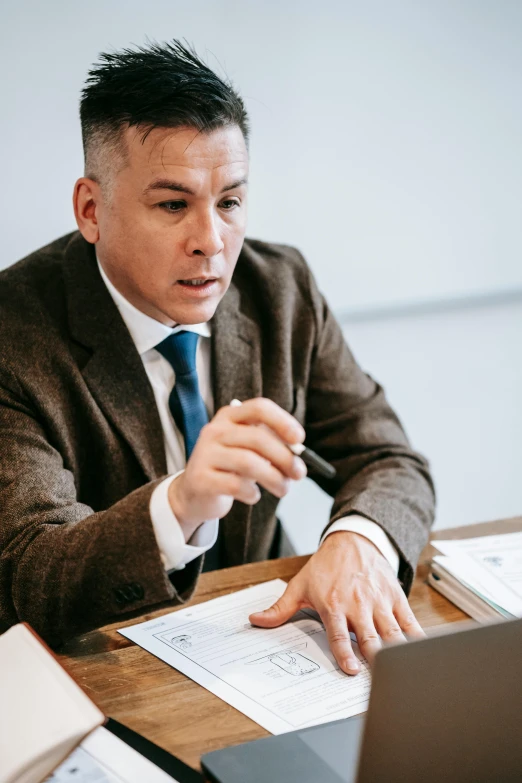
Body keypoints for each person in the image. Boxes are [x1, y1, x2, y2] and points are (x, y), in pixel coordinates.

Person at [0, 41, 435, 673]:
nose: (211, 242)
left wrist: (357, 540)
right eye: (173, 205)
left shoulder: (279, 288)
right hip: (101, 671)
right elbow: (31, 571)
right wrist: (179, 505)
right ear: (91, 210)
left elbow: (391, 460)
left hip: (273, 650)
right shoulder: (13, 335)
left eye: (229, 202)